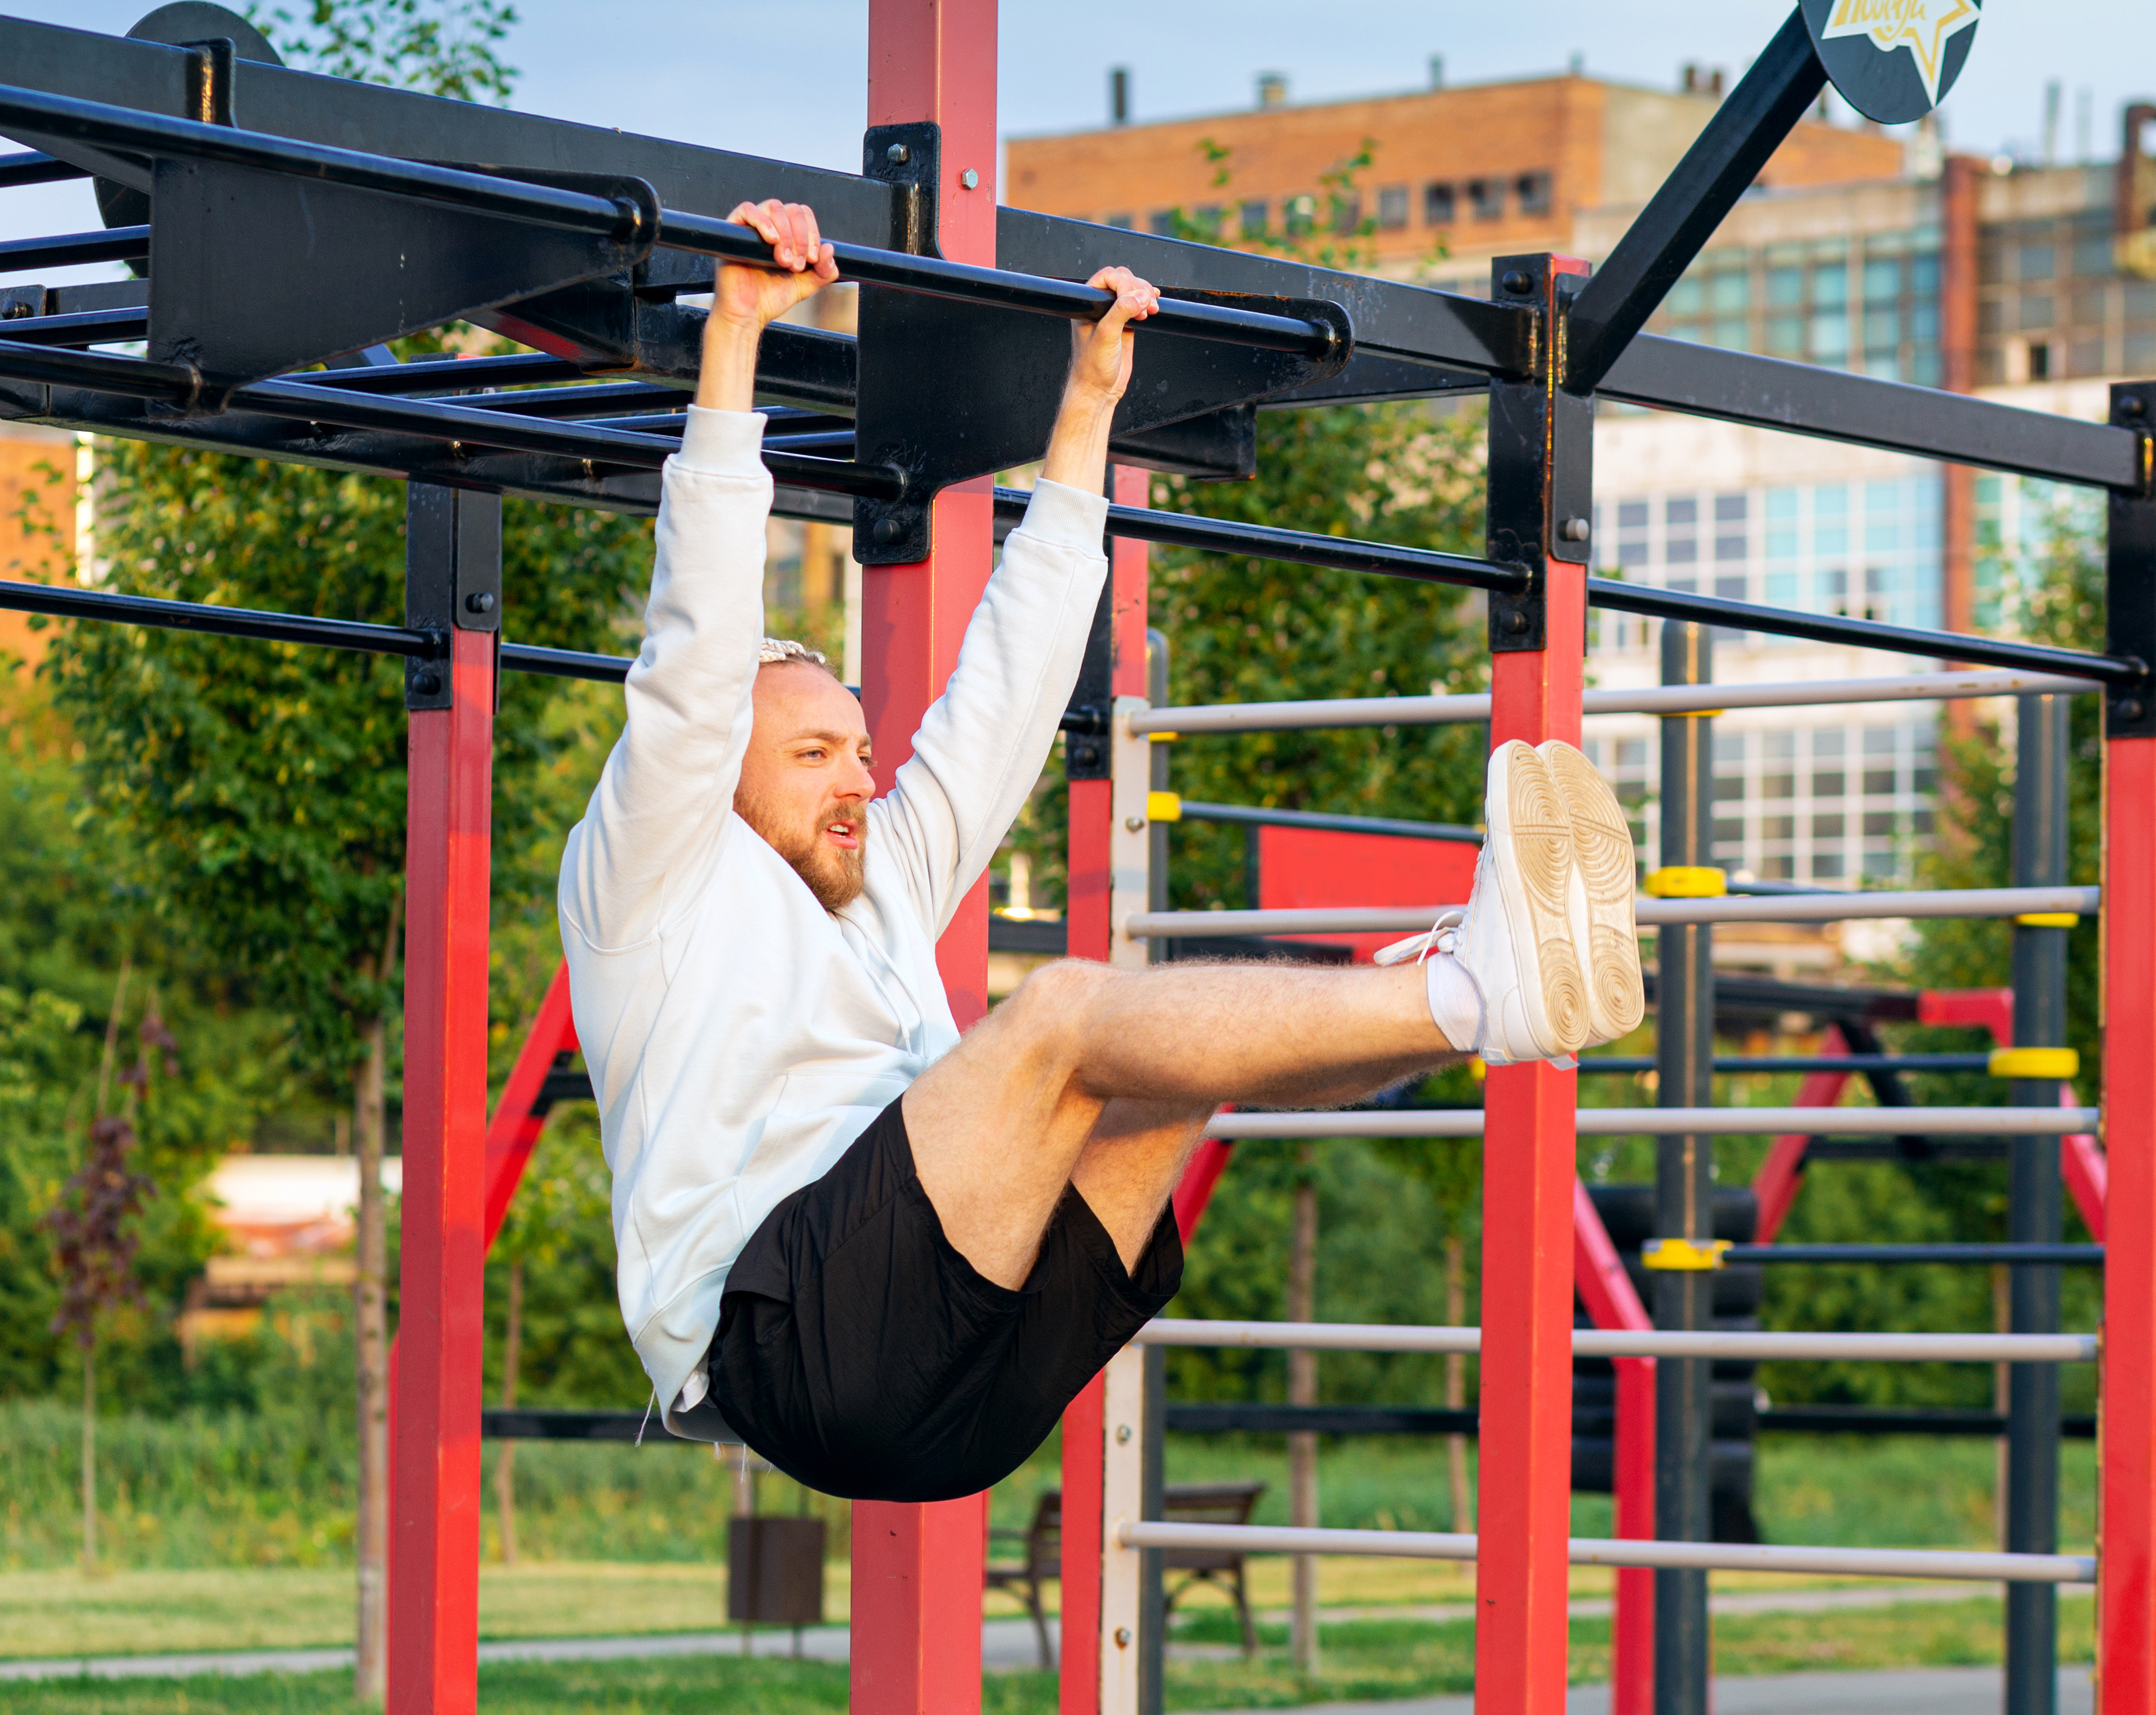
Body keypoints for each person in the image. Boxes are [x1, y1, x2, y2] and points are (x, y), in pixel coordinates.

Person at [559, 198, 1642, 1503]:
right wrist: (734, 333)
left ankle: (1479, 1003)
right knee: (1066, 1010)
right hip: (791, 1343)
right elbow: (696, 649)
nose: (861, 777)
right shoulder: (652, 875)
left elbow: (1005, 697)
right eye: (814, 756)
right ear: (716, 768)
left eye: (857, 748)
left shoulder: (880, 872)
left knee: (1174, 1046)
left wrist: (1087, 412)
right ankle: (1477, 985)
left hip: (970, 1387)